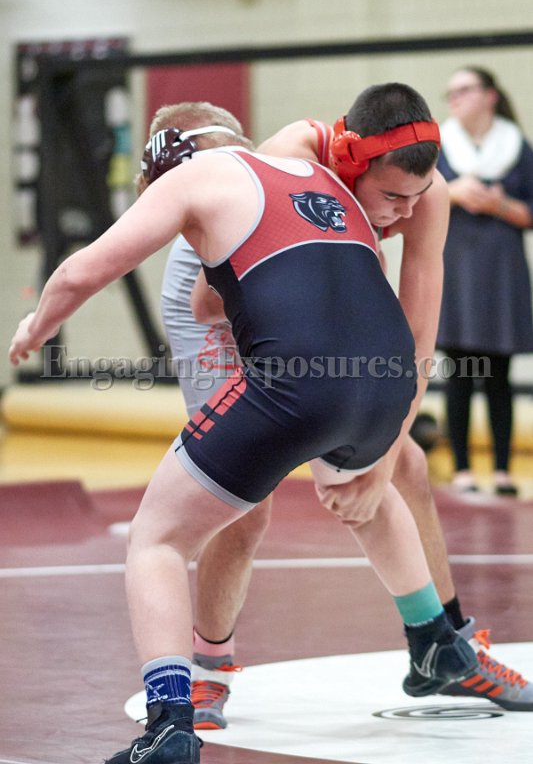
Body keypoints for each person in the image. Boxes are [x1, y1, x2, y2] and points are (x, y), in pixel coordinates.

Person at [10, 97, 479, 764]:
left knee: (158, 536)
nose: (404, 211)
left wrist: (36, 327)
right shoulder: (322, 178)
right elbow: (356, 309)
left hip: (292, 370)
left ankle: (170, 722)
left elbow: (85, 270)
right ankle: (432, 637)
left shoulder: (203, 178)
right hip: (377, 371)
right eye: (395, 198)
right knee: (344, 488)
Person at [156, 94, 533, 732]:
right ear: (352, 167)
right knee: (245, 497)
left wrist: (377, 460)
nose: (404, 213)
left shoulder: (424, 197)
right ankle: (209, 667)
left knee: (403, 465)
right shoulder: (289, 165)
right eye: (391, 199)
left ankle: (443, 645)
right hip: (222, 299)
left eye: (417, 198)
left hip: (311, 297)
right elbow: (208, 302)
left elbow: (416, 345)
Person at [437, 67, 533, 497]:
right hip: (457, 270)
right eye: (451, 92)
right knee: (459, 371)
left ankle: (502, 471)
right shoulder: (440, 146)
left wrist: (500, 205)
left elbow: (529, 211)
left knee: (498, 374)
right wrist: (454, 193)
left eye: (464, 89)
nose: (455, 98)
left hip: (501, 273)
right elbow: (416, 199)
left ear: (490, 95)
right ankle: (461, 468)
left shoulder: (517, 146)